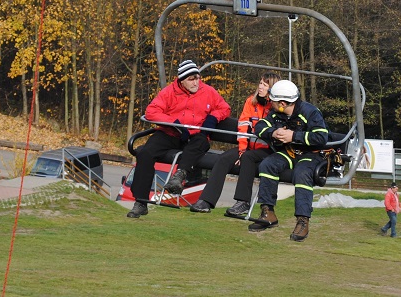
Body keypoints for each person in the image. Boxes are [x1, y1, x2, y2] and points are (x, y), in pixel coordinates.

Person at [126, 59, 231, 219]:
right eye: (191, 79)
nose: (196, 82)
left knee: (200, 142)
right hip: (171, 133)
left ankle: (180, 175)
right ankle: (140, 202)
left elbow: (224, 108)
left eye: (198, 77)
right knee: (145, 152)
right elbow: (151, 111)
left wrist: (213, 118)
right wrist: (175, 125)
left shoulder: (208, 91)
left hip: (196, 135)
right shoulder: (169, 92)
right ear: (182, 81)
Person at [246, 80, 330, 242]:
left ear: (283, 103)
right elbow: (260, 126)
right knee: (267, 165)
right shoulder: (277, 113)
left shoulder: (310, 112)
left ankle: (303, 220)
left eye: (274, 101)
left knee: (302, 173)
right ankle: (267, 212)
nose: (271, 104)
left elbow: (321, 137)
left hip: (310, 154)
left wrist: (294, 136)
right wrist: (273, 133)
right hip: (289, 153)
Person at [188, 71, 279, 214]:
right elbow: (243, 127)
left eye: (265, 85)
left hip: (267, 150)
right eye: (260, 83)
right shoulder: (251, 102)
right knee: (224, 159)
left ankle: (243, 202)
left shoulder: (276, 108)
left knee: (248, 159)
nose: (260, 87)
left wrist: (245, 154)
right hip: (248, 147)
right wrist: (242, 149)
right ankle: (206, 201)